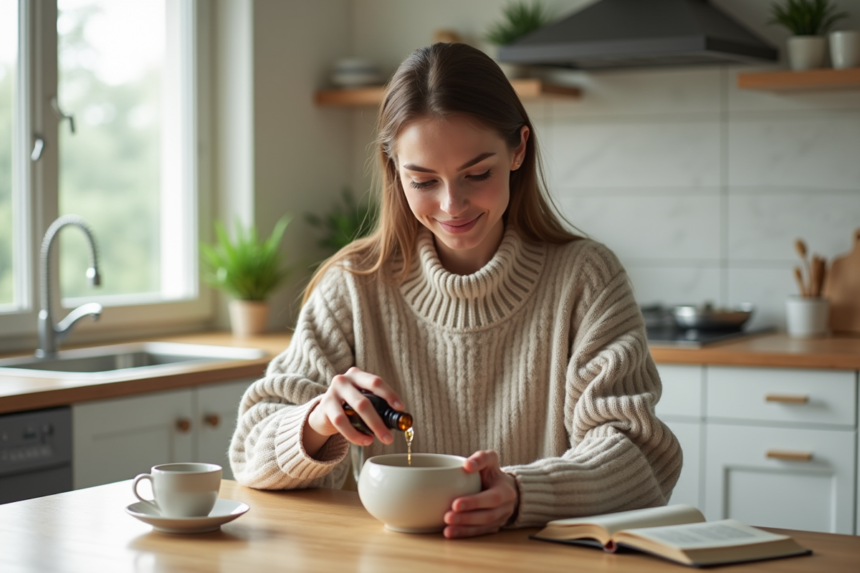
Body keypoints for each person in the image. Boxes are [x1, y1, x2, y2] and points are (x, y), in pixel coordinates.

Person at [229, 42, 682, 539]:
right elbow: (249, 452)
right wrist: (315, 422)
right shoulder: (353, 286)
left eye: (477, 174)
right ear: (394, 170)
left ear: (519, 149)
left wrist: (521, 493)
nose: (452, 204)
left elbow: (639, 455)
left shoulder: (586, 279)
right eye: (423, 180)